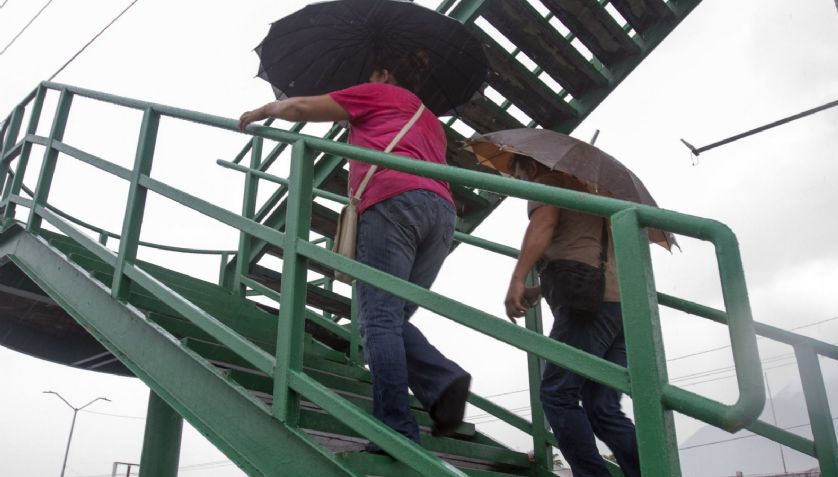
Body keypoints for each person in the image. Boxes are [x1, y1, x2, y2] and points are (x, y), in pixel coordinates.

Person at [239, 52, 471, 449]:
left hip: (393, 201)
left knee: (378, 320)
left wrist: (263, 109)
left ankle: (395, 427)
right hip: (442, 213)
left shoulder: (378, 91)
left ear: (383, 72)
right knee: (391, 317)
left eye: (368, 73)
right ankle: (440, 380)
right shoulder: (430, 120)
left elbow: (300, 107)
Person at [504, 155, 641, 477]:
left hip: (587, 308)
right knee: (602, 407)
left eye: (517, 172)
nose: (517, 180)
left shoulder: (549, 184)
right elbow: (588, 254)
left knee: (557, 395)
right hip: (622, 307)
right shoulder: (597, 197)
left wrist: (518, 278)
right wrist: (538, 290)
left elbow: (545, 223)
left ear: (533, 167)